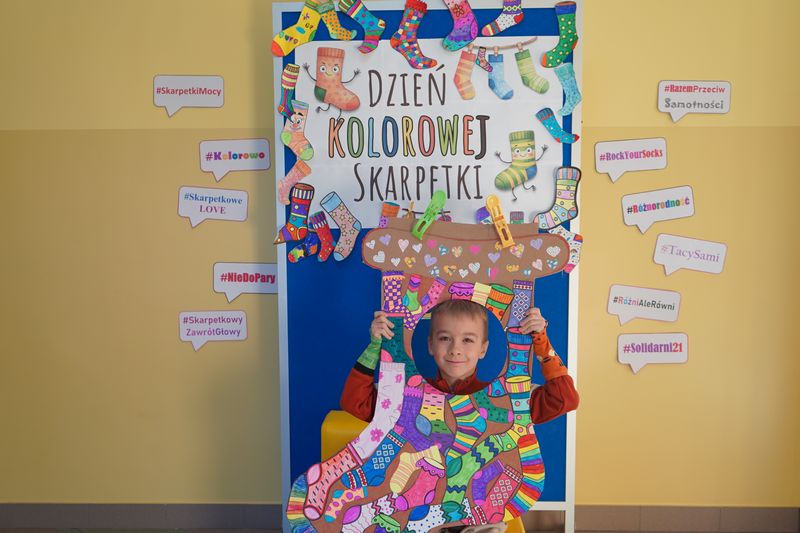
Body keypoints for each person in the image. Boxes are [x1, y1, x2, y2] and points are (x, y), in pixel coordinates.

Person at [340, 299, 579, 427]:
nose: (455, 349)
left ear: (483, 349)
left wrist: (541, 341)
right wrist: (374, 346)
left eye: (467, 340)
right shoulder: (407, 393)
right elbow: (354, 402)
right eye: (445, 338)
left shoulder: (505, 397)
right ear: (431, 345)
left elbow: (565, 399)